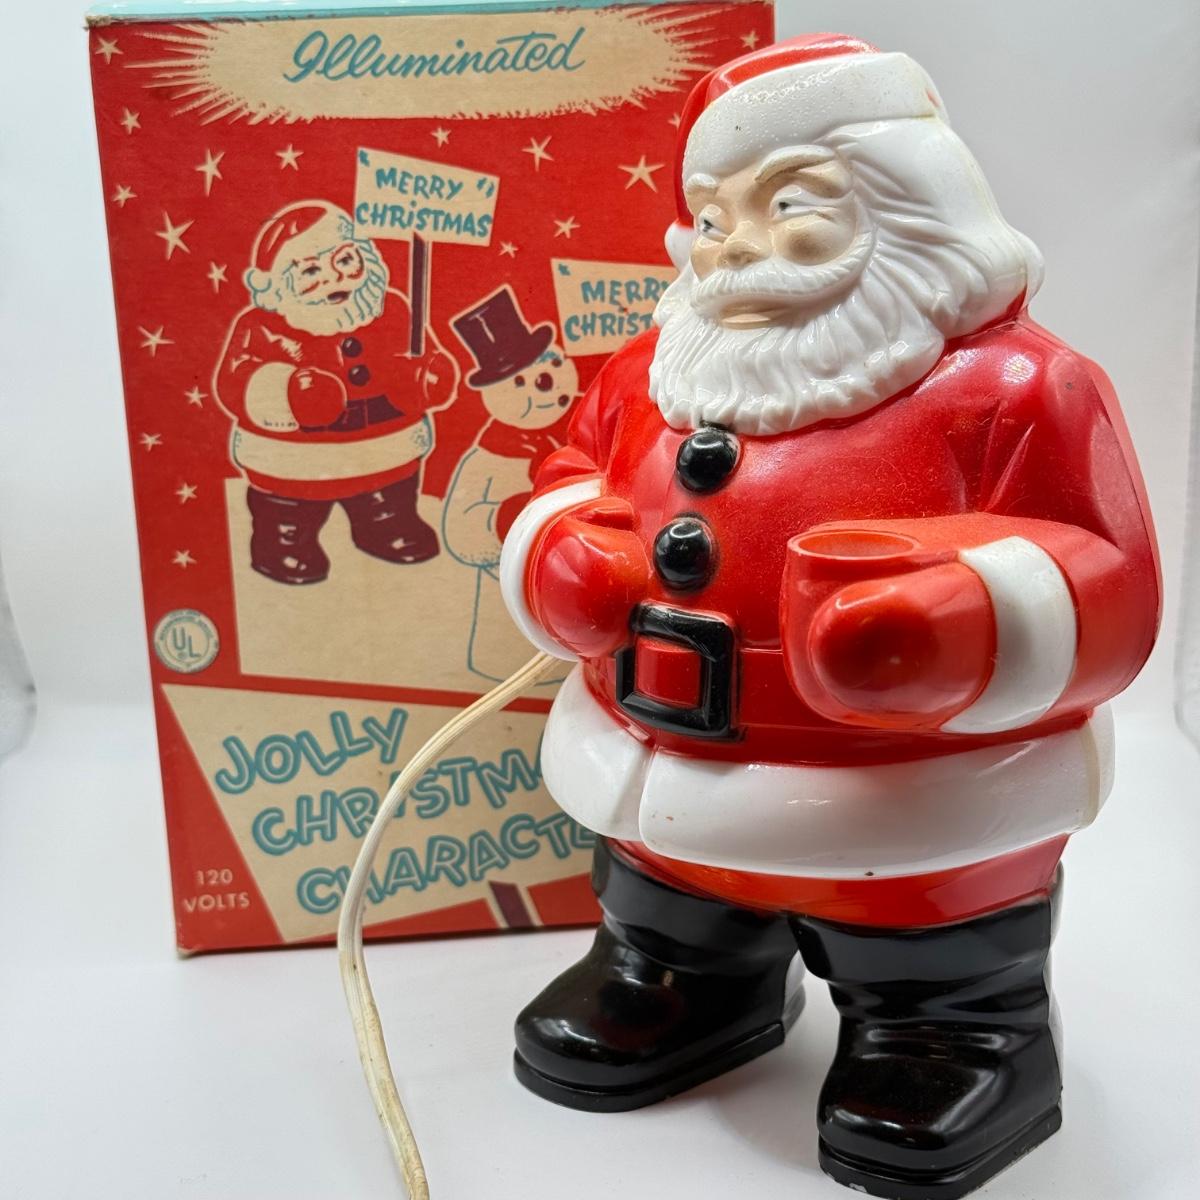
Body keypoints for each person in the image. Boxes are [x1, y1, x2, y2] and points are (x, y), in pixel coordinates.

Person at [498, 34, 1160, 1199]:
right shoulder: (649, 372)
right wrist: (558, 546)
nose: (736, 245)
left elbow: (1109, 572)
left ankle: (954, 1035)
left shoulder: (1019, 391)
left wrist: (962, 620)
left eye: (790, 204)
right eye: (714, 216)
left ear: (908, 203)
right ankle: (676, 978)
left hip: (915, 804)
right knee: (663, 895)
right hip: (659, 754)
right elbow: (568, 470)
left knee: (924, 933)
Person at [215, 201, 459, 584]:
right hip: (292, 464)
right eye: (311, 270)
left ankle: (385, 524)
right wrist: (283, 391)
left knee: (389, 499)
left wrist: (424, 377)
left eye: (345, 261)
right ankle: (285, 542)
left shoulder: (393, 309)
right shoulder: (259, 327)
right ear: (276, 284)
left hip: (386, 453)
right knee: (288, 511)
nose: (334, 279)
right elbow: (235, 381)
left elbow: (414, 357)